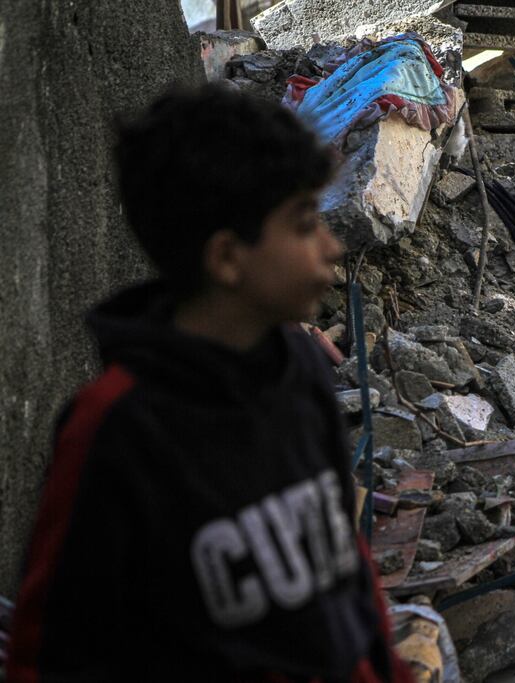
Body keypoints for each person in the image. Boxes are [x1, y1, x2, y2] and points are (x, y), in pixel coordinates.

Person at [5, 85, 411, 682]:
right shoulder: (116, 430)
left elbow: (346, 572)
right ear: (227, 258)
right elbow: (49, 655)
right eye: (304, 225)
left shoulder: (298, 371)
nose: (331, 246)